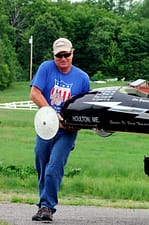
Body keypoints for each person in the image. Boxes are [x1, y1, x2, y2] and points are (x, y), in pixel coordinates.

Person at [30, 38, 90, 222]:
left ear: (73, 53)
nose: (63, 59)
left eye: (67, 55)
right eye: (59, 56)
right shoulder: (46, 69)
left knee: (53, 167)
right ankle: (43, 206)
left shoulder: (82, 78)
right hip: (46, 127)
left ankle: (48, 206)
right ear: (53, 56)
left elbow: (85, 105)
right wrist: (52, 114)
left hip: (67, 131)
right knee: (41, 166)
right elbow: (34, 93)